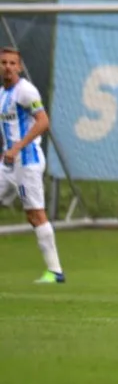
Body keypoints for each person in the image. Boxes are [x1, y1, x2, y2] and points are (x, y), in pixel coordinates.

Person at [0, 47, 64, 284]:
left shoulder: (25, 91)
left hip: (27, 162)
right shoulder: (1, 94)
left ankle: (55, 271)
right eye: (3, 62)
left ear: (19, 66)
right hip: (8, 164)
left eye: (12, 63)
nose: (7, 67)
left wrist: (17, 147)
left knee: (35, 215)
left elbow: (43, 121)